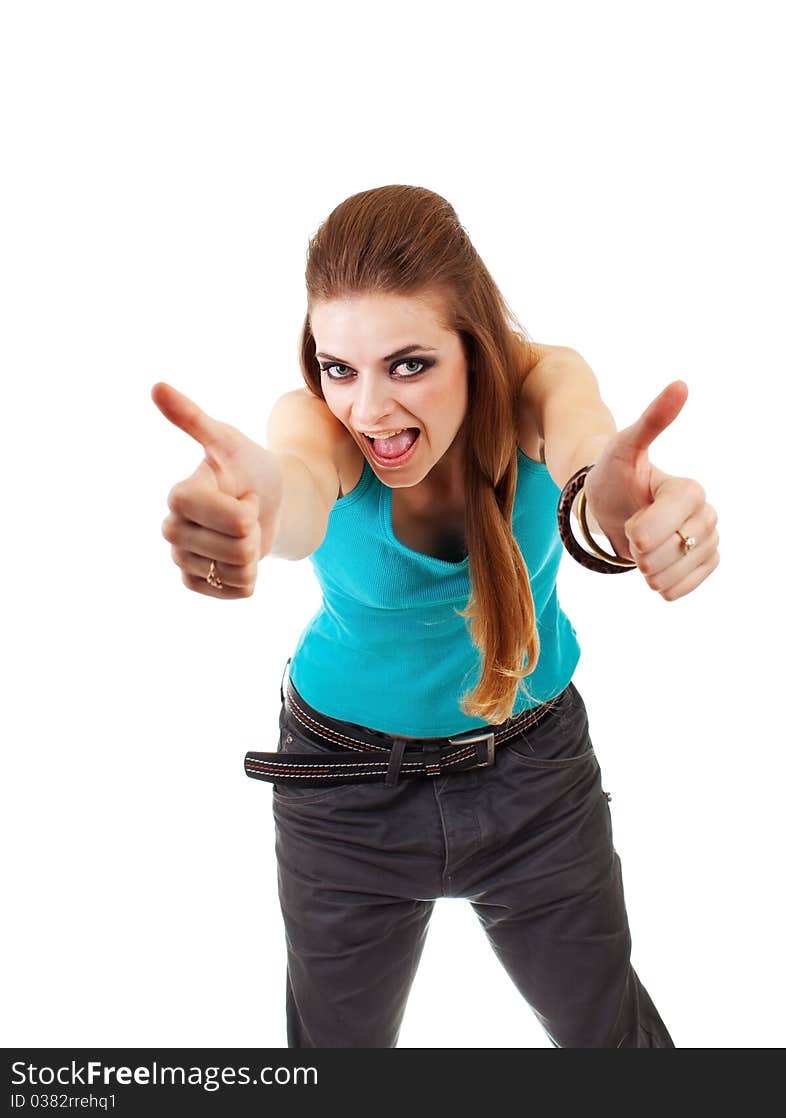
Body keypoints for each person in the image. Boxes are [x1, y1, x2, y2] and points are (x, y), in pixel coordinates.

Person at [152, 184, 720, 1048]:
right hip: (347, 793)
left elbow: (583, 450)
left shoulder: (539, 381)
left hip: (536, 778)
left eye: (409, 363)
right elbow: (297, 485)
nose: (370, 410)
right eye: (340, 367)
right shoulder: (317, 423)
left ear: (474, 348)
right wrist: (255, 510)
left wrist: (621, 501)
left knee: (614, 1041)